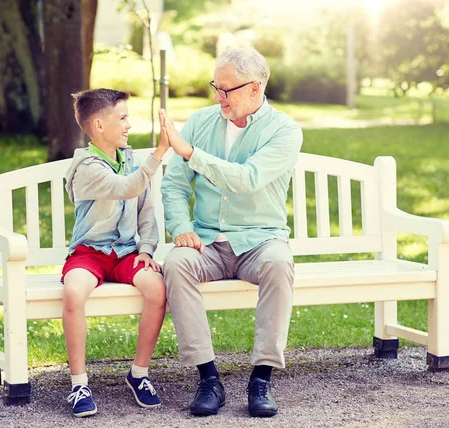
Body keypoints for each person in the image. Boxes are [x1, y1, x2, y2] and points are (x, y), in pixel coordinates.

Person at [159, 47, 303, 418]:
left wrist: (192, 153)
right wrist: (181, 226)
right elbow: (174, 184)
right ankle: (208, 379)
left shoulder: (284, 131)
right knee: (176, 264)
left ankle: (262, 379)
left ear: (254, 88)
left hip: (260, 240)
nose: (217, 97)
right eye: (215, 87)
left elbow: (247, 179)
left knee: (278, 263)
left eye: (226, 89)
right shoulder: (200, 121)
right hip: (206, 241)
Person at [62, 88, 169, 417]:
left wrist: (147, 249)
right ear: (98, 125)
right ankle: (79, 383)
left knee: (157, 289)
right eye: (122, 118)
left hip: (125, 253)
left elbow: (146, 210)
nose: (128, 125)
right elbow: (127, 187)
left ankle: (139, 374)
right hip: (89, 253)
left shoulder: (131, 160)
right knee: (73, 293)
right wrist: (160, 152)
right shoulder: (87, 168)